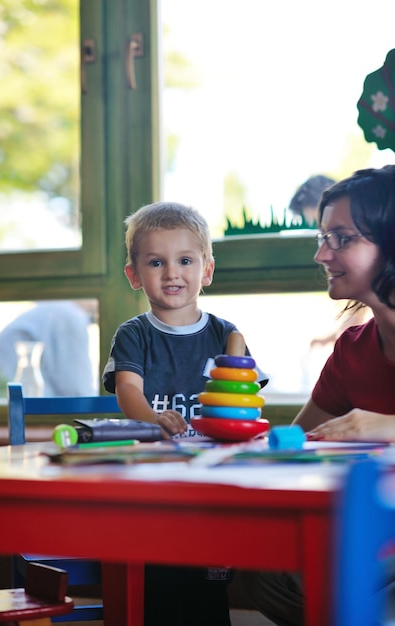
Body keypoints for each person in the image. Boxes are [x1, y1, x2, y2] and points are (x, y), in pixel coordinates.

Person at [240, 165, 395, 626]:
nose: (322, 254)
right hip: (373, 540)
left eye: (342, 238)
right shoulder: (352, 350)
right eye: (322, 237)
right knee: (262, 570)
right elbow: (298, 439)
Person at [102, 200, 268, 626]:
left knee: (208, 590)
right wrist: (152, 420)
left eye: (185, 260)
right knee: (156, 582)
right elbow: (127, 391)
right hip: (151, 479)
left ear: (207, 270)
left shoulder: (226, 334)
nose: (172, 273)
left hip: (208, 482)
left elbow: (244, 401)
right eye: (156, 262)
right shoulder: (133, 334)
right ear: (134, 275)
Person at [0, 300, 97, 397]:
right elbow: (79, 392)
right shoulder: (68, 314)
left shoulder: (50, 310)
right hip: (14, 412)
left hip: (2, 407)